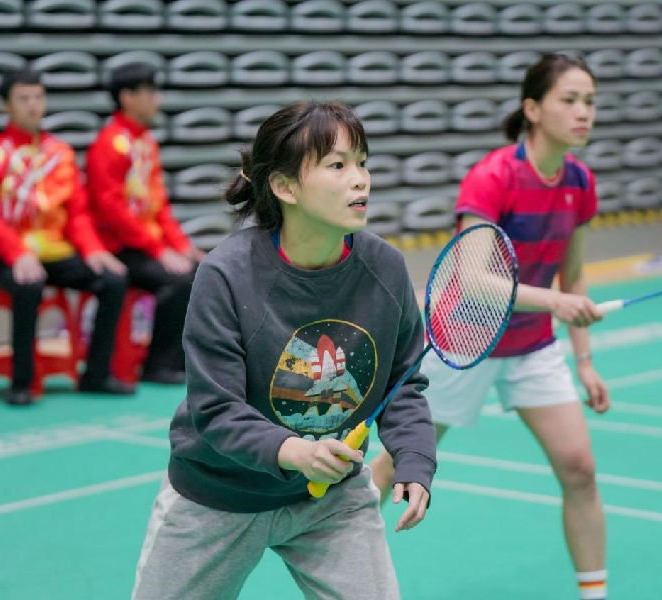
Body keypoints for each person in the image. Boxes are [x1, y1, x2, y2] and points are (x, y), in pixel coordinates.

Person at [131, 101, 436, 600]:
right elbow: (216, 407)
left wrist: (415, 458)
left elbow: (403, 384)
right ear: (285, 187)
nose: (360, 180)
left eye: (362, 162)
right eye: (337, 165)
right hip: (220, 494)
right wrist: (297, 452)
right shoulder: (226, 275)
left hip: (330, 498)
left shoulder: (385, 269)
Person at [370, 53, 611, 600]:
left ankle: (594, 594)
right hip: (464, 344)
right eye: (570, 100)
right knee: (396, 465)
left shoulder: (580, 182)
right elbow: (473, 278)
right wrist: (554, 301)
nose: (584, 112)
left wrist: (585, 361)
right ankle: (332, 548)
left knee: (579, 468)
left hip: (532, 346)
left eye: (590, 102)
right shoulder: (493, 177)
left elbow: (573, 275)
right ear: (533, 109)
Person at [0, 69, 132, 406]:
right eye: (23, 99)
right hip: (8, 256)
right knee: (29, 284)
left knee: (113, 279)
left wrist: (93, 250)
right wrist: (17, 253)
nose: (33, 105)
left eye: (38, 97)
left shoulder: (59, 153)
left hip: (56, 252)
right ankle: (22, 383)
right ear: (6, 105)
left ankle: (96, 375)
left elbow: (77, 214)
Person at [86, 63, 202, 385]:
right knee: (177, 281)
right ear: (127, 97)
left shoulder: (145, 142)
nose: (157, 100)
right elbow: (114, 212)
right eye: (149, 92)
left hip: (144, 245)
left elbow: (158, 206)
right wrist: (159, 250)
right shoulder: (108, 144)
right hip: (118, 247)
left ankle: (184, 360)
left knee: (200, 271)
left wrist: (181, 246)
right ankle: (157, 365)